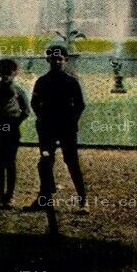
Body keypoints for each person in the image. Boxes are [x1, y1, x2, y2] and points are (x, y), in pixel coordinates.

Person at [28, 44, 87, 215]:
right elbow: (34, 103)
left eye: (60, 58)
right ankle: (44, 198)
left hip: (66, 128)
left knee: (72, 163)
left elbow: (80, 104)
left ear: (66, 60)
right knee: (45, 162)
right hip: (47, 127)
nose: (57, 62)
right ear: (48, 60)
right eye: (54, 58)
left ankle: (83, 201)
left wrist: (72, 120)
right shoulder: (42, 81)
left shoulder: (71, 82)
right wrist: (42, 117)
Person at [0, 58, 29, 208]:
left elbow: (26, 110)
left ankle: (9, 197)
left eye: (9, 73)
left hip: (11, 128)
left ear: (15, 73)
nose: (6, 77)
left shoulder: (19, 91)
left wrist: (15, 122)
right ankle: (0, 197)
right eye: (3, 73)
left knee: (9, 162)